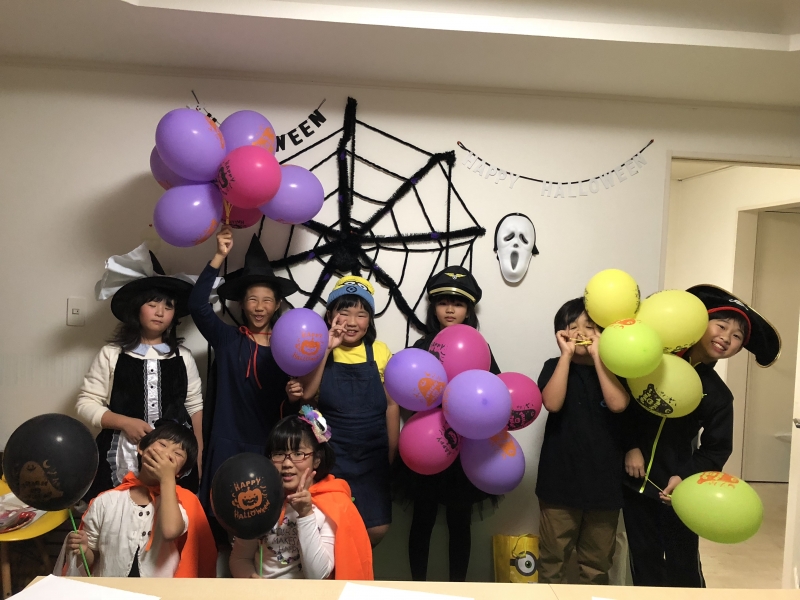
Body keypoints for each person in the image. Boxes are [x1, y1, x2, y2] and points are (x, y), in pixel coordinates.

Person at [622, 284, 780, 588]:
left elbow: (716, 448)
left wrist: (684, 477)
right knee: (643, 560)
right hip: (632, 484)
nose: (726, 338)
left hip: (678, 491)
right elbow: (623, 406)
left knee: (683, 564)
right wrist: (630, 446)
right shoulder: (653, 362)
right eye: (721, 326)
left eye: (737, 336)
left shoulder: (718, 395)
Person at [189, 225, 299, 544]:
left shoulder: (289, 346)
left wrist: (296, 395)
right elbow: (197, 306)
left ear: (277, 304)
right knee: (219, 526)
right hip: (226, 443)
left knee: (264, 527)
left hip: (268, 446)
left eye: (267, 300)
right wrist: (218, 256)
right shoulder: (227, 339)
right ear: (241, 303)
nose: (259, 307)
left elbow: (297, 402)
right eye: (252, 299)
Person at [397, 265, 500, 582]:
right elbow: (405, 395)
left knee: (460, 521)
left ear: (469, 310)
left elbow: (494, 393)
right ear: (433, 308)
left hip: (465, 447)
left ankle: (459, 589)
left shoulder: (479, 347)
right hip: (427, 442)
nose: (450, 309)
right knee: (422, 519)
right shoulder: (421, 347)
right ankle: (418, 588)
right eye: (443, 302)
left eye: (458, 303)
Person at [76, 244, 203, 500]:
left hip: (174, 458)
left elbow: (194, 407)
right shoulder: (112, 354)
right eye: (152, 304)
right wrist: (125, 422)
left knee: (169, 513)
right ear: (137, 308)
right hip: (120, 453)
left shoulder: (183, 357)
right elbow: (85, 404)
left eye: (168, 306)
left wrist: (198, 455)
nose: (160, 312)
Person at [292, 276, 398, 547]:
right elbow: (307, 397)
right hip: (334, 453)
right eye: (344, 312)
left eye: (361, 314)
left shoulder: (380, 352)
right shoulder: (317, 349)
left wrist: (392, 451)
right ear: (330, 316)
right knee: (331, 526)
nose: (352, 322)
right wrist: (327, 348)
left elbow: (391, 404)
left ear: (369, 321)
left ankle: (354, 564)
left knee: (378, 527)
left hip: (374, 454)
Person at [535, 297, 629, 584]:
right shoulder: (554, 365)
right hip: (558, 481)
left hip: (605, 483)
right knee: (551, 562)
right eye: (572, 326)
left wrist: (600, 357)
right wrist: (565, 356)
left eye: (589, 326)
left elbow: (618, 405)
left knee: (596, 565)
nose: (580, 333)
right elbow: (552, 403)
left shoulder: (616, 369)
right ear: (560, 333)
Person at [229, 407, 373, 579]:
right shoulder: (259, 498)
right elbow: (240, 558)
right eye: (279, 454)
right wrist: (253, 580)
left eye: (298, 454)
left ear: (316, 460)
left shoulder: (332, 503)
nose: (287, 463)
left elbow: (317, 576)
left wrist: (306, 514)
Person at [61, 421, 216, 578]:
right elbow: (93, 560)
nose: (167, 454)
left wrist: (167, 479)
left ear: (180, 472)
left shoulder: (178, 504)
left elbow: (170, 531)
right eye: (162, 444)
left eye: (178, 454)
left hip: (158, 591)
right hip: (112, 589)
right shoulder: (105, 501)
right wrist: (84, 550)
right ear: (142, 447)